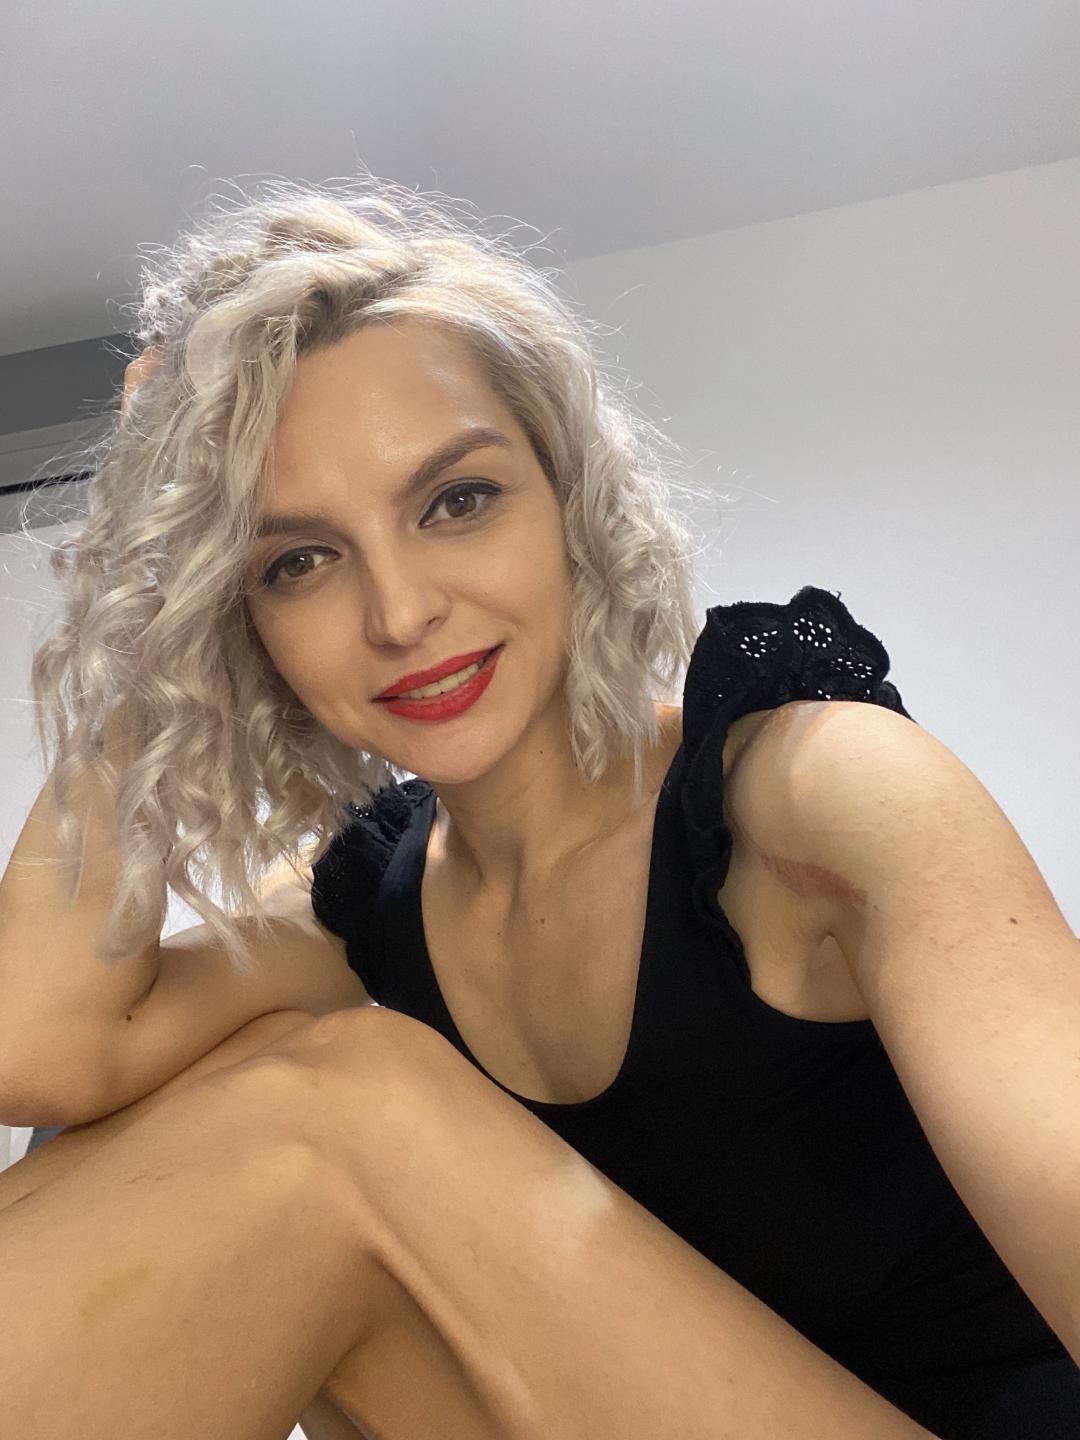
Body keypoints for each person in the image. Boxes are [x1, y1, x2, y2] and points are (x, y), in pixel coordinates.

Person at [0, 176, 1077, 1440]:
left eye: (457, 500)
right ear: (244, 629)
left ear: (571, 495)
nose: (401, 612)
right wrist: (145, 577)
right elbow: (44, 1051)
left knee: (340, 1111)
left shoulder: (813, 794)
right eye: (299, 560)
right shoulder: (363, 917)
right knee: (177, 1123)